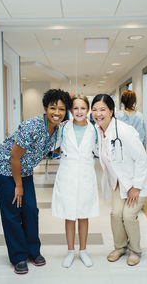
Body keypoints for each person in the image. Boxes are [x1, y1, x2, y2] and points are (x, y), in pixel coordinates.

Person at [0, 89, 72, 274]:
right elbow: (14, 157)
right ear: (45, 108)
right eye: (52, 108)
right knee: (12, 212)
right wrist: (18, 185)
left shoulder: (56, 129)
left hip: (23, 170)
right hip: (4, 168)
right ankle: (18, 256)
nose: (56, 112)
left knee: (31, 210)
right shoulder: (32, 126)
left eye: (61, 109)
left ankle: (33, 251)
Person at [91, 94, 147, 266]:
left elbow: (142, 159)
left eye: (103, 109)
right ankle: (120, 247)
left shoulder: (123, 131)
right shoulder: (98, 130)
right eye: (95, 109)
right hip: (119, 182)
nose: (98, 113)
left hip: (139, 180)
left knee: (128, 215)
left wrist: (136, 186)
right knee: (115, 214)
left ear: (112, 111)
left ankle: (135, 250)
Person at [52, 95, 99, 268]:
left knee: (83, 215)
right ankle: (71, 251)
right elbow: (54, 147)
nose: (79, 111)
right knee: (69, 215)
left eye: (83, 108)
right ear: (71, 111)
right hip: (67, 175)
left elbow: (100, 151)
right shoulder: (63, 128)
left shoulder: (94, 130)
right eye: (76, 108)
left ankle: (84, 250)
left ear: (88, 111)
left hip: (86, 175)